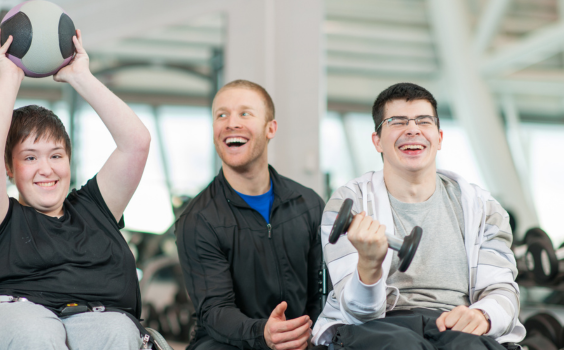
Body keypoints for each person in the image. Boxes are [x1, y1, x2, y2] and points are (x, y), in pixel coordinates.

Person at [0, 28, 151, 350]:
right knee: (39, 328)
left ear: (69, 160)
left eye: (56, 155)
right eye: (30, 157)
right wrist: (10, 75)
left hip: (89, 316)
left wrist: (81, 76)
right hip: (9, 315)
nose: (47, 169)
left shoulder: (95, 209)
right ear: (9, 169)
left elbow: (136, 143)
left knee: (118, 329)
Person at [311, 82, 524, 349]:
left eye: (424, 121)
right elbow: (358, 313)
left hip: (455, 323)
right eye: (397, 121)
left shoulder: (483, 207)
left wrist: (482, 315)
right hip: (380, 325)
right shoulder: (348, 205)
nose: (412, 129)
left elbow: (502, 290)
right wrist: (369, 265)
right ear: (377, 141)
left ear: (439, 137)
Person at [175, 80, 325, 350]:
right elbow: (216, 311)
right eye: (222, 115)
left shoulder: (309, 205)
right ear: (214, 131)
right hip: (227, 342)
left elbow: (320, 293)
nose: (232, 123)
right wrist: (265, 334)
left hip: (303, 338)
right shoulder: (198, 219)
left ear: (271, 128)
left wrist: (303, 334)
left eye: (245, 113)